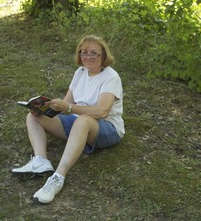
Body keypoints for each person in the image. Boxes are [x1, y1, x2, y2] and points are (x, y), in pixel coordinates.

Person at [12, 35, 125, 204]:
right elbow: (66, 103)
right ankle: (41, 161)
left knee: (83, 120)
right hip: (79, 123)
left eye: (94, 53)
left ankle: (58, 178)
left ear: (104, 55)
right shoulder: (80, 72)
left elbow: (102, 111)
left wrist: (69, 109)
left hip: (107, 128)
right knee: (33, 117)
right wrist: (43, 109)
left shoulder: (111, 77)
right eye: (84, 52)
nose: (88, 57)